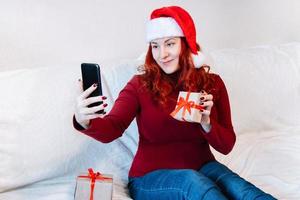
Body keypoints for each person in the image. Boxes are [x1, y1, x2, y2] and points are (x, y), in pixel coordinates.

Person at [73, 6, 276, 200]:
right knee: (196, 185)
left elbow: (227, 145)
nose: (162, 54)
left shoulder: (212, 84)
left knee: (244, 192)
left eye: (170, 43)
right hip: (149, 177)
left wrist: (207, 124)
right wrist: (85, 121)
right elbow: (113, 127)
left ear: (186, 44)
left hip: (204, 165)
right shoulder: (140, 85)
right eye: (155, 46)